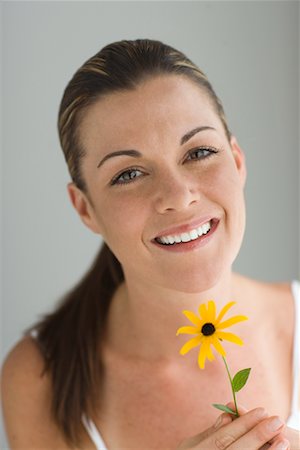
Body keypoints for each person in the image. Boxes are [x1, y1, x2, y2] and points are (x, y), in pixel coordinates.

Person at [1, 39, 299, 450]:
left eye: (199, 152)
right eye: (129, 174)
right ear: (85, 208)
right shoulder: (40, 378)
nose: (178, 195)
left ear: (237, 160)